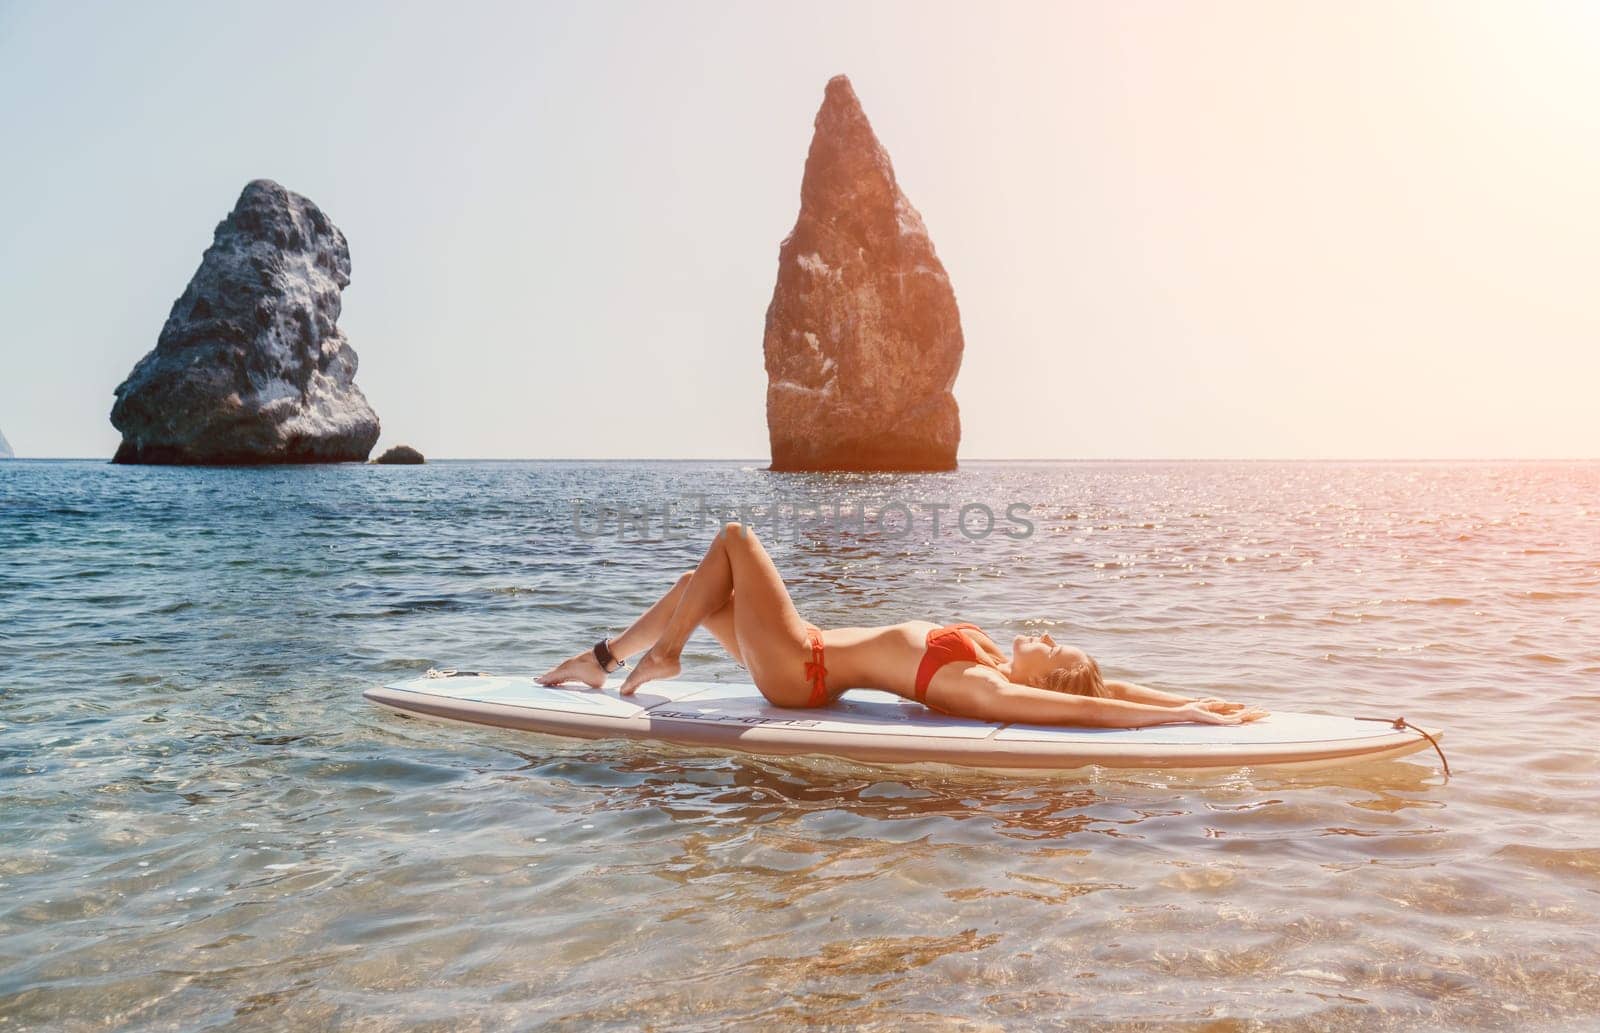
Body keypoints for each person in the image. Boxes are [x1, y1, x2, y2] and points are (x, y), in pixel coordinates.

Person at [538, 523, 1268, 728]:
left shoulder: (985, 687)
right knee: (693, 587)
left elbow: (1080, 704)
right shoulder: (994, 660)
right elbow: (1107, 687)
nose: (1043, 634)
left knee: (733, 538)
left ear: (1034, 675)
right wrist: (1187, 699)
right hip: (805, 656)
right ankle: (596, 662)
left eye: (1049, 647)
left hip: (801, 666)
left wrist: (1185, 726)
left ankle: (664, 658)